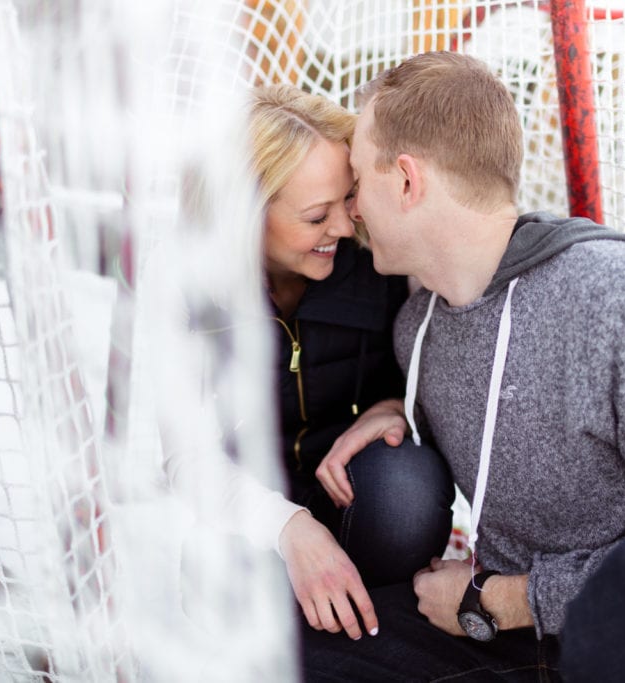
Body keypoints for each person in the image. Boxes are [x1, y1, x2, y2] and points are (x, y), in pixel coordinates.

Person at [305, 52, 625, 681]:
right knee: (281, 659)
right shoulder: (419, 326)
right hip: (504, 640)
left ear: (406, 181)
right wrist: (392, 408)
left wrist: (506, 599)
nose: (351, 211)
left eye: (357, 184)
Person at [198, 83, 454, 642]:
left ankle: (360, 627)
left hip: (340, 494)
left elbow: (427, 370)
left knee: (407, 489)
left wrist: (392, 408)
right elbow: (171, 460)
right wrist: (288, 527)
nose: (343, 227)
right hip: (230, 517)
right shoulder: (186, 290)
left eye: (348, 200)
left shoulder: (375, 261)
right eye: (317, 216)